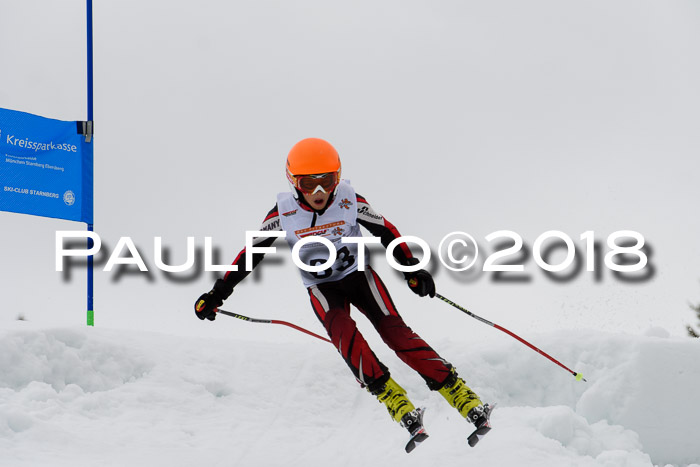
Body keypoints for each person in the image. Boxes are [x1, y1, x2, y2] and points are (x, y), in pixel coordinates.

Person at [194, 138, 492, 452]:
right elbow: (251, 253)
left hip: (358, 276)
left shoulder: (350, 200)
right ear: (294, 183)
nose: (320, 193)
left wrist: (411, 270)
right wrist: (218, 294)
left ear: (338, 178)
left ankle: (459, 392)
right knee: (343, 332)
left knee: (395, 333)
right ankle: (392, 397)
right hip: (322, 287)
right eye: (309, 183)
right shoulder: (283, 213)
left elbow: (385, 230)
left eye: (327, 181)